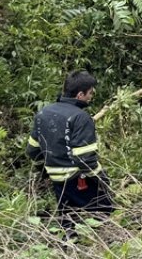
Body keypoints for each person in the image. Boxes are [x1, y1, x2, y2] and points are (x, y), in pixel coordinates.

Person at [26, 70, 114, 229]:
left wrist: (45, 170)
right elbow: (85, 160)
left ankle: (68, 248)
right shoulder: (81, 117)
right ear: (80, 94)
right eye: (90, 93)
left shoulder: (43, 113)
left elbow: (32, 150)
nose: (91, 97)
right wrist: (103, 179)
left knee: (68, 219)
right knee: (106, 211)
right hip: (78, 179)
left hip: (57, 181)